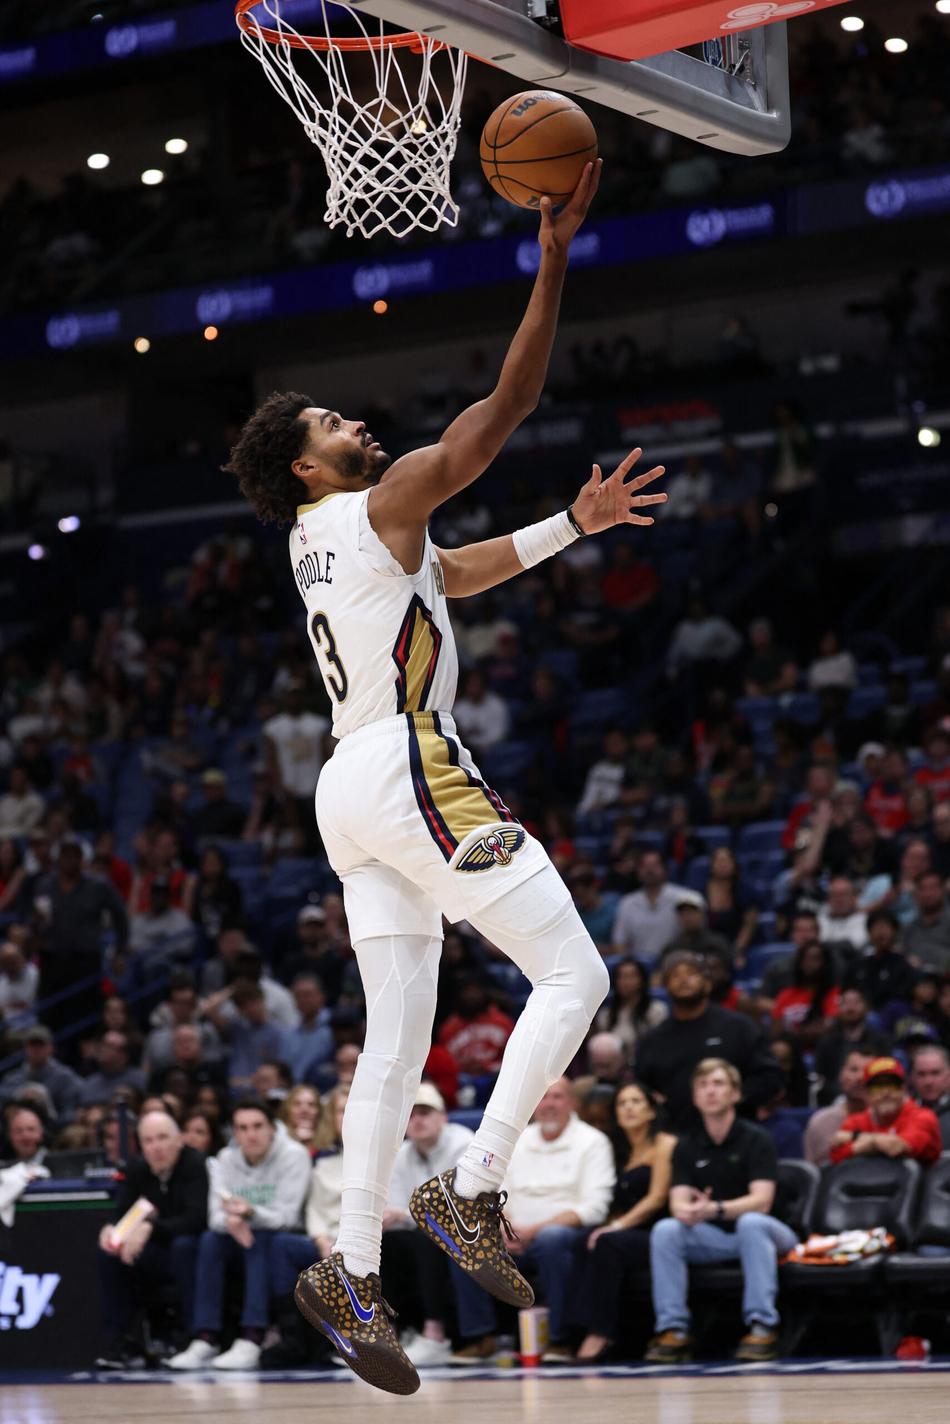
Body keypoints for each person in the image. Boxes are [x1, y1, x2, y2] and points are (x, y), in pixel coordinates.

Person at [222, 160, 668, 1397]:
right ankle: (472, 1186)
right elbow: (502, 408)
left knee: (392, 1043)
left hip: (347, 786)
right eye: (331, 427)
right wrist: (552, 258)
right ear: (306, 467)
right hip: (408, 761)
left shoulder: (334, 539)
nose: (354, 426)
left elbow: (452, 575)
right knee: (575, 973)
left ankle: (350, 1264)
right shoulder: (376, 503)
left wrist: (569, 526)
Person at [645, 1059, 798, 1364]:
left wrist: (713, 1209)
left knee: (751, 1223)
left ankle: (762, 1325)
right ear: (694, 1097)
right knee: (666, 1230)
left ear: (735, 1094)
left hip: (771, 1234)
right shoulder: (686, 1145)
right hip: (716, 1237)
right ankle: (673, 1329)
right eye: (703, 1085)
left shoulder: (756, 1139)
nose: (710, 1091)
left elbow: (762, 1201)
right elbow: (678, 1204)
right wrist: (691, 1211)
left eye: (718, 1084)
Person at [169, 1098, 312, 1371]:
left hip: (282, 1239)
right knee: (210, 1240)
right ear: (234, 1133)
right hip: (239, 1233)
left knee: (260, 1239)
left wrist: (250, 1214)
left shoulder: (294, 1155)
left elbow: (288, 1217)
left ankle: (252, 1336)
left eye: (258, 1126)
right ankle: (205, 1338)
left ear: (272, 1128)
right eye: (243, 1128)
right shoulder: (226, 1159)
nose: (251, 1134)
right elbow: (214, 1217)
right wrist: (233, 1221)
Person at [495, 1078, 616, 1359]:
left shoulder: (592, 1142)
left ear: (573, 1103)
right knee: (466, 1238)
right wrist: (504, 1228)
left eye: (557, 1097)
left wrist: (534, 1231)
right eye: (542, 1096)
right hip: (511, 1234)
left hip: (567, 1235)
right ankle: (480, 1337)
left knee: (552, 1239)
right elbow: (496, 1193)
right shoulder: (518, 1141)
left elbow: (594, 1207)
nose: (548, 1104)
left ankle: (561, 1339)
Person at [382, 1083, 496, 1366]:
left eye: (425, 1113)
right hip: (425, 1232)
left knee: (428, 1238)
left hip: (472, 1229)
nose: (417, 1121)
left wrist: (405, 1215)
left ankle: (435, 1333)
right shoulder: (401, 1154)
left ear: (443, 1117)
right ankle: (393, 1331)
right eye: (411, 1115)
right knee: (387, 1242)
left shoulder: (464, 1144)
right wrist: (400, 1216)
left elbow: (458, 1207)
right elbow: (395, 1206)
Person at [95, 1109, 207, 1369]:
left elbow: (197, 1219)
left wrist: (150, 1228)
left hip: (191, 1249)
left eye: (163, 1138)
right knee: (109, 1254)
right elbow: (121, 1213)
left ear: (179, 1140)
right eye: (148, 1140)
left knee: (183, 1247)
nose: (156, 1147)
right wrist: (110, 1230)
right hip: (154, 1252)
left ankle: (190, 1338)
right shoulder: (137, 1169)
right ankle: (121, 1342)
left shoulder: (194, 1164)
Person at [574, 1082, 676, 1362]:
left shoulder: (665, 1144)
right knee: (581, 1240)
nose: (629, 1108)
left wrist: (616, 1227)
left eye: (636, 1101)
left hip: (662, 1232)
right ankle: (573, 1331)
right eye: (622, 1103)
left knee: (607, 1242)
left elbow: (656, 1198)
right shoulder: (618, 1150)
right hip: (629, 1232)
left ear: (652, 1111)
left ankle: (600, 1332)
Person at [635, 950, 784, 1130]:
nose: (683, 980)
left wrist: (738, 1096)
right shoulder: (653, 1040)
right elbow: (640, 1088)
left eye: (691, 973)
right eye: (675, 975)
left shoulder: (739, 1027)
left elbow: (770, 1076)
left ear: (707, 984)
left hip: (734, 1132)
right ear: (665, 986)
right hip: (676, 1135)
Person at [830, 1056, 942, 1167]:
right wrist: (876, 1142)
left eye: (893, 1085)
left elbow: (896, 1147)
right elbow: (836, 1155)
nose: (886, 1093)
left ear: (903, 1089)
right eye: (878, 1087)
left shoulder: (923, 1116)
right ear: (867, 1094)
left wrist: (856, 1137)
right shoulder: (856, 1121)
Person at [611, 850, 689, 967]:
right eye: (644, 866)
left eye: (654, 865)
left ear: (665, 869)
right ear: (637, 871)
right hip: (639, 968)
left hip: (676, 965)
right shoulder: (627, 903)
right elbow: (620, 944)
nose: (649, 870)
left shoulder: (683, 898)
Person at [813, 988, 890, 1101]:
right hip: (833, 1100)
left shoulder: (880, 1041)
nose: (851, 1007)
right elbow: (821, 1079)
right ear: (838, 1008)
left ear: (866, 1007)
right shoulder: (826, 1043)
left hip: (874, 1098)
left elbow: (886, 1073)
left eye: (856, 1002)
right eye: (846, 1003)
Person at [805, 1046, 875, 1167]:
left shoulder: (892, 1119)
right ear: (840, 1075)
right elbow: (810, 1173)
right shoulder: (821, 1122)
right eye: (853, 1070)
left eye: (868, 1070)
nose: (860, 1077)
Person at [0, 1024, 82, 1122]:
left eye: (41, 1045)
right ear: (25, 1048)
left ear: (51, 1048)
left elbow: (72, 1110)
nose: (36, 1050)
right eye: (32, 1045)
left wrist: (47, 1104)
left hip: (56, 1127)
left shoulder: (65, 1077)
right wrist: (18, 1096)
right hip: (19, 1128)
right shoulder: (13, 1078)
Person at [593, 957, 667, 1057]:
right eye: (622, 977)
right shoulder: (605, 1014)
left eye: (632, 976)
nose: (626, 982)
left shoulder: (657, 1010)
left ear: (642, 980)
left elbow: (660, 1044)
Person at [845, 908, 916, 1010]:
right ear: (869, 932)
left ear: (895, 932)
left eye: (886, 926)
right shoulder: (857, 965)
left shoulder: (903, 965)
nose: (881, 932)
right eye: (876, 927)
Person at [903, 871, 950, 973]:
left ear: (943, 891)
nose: (928, 894)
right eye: (922, 889)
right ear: (916, 894)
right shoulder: (909, 928)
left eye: (933, 888)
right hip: (915, 979)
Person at [909, 1043, 950, 1151]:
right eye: (921, 1074)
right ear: (912, 1077)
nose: (928, 1081)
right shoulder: (901, 1111)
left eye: (935, 1073)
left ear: (949, 1075)